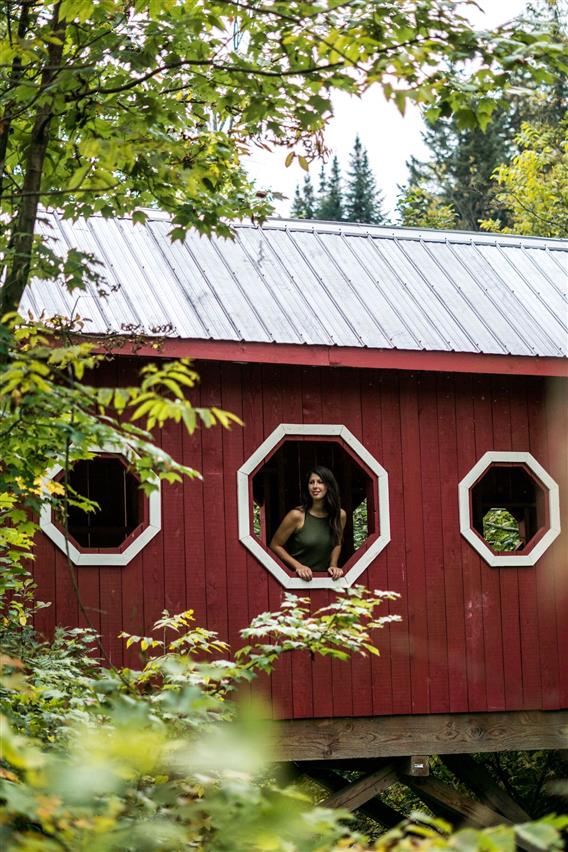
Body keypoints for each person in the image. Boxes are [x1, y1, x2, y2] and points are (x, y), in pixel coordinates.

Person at [270, 466, 346, 581]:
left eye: (320, 482)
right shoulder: (296, 515)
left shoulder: (339, 515)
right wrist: (298, 566)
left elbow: (337, 542)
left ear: (329, 486)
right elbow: (275, 545)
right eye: (311, 482)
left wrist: (333, 565)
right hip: (296, 580)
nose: (315, 486)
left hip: (327, 581)